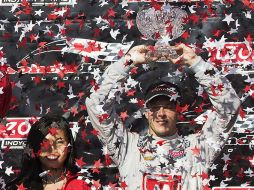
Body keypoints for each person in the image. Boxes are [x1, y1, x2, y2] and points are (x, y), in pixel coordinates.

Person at [85, 44, 241, 190]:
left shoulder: (198, 148)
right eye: (154, 107)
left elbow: (230, 106)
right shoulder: (128, 147)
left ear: (178, 111)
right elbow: (96, 104)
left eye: (168, 107)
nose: (161, 113)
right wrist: (127, 61)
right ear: (146, 112)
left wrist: (196, 63)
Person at [7, 114, 91, 190]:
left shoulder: (84, 184)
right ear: (34, 148)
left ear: (69, 147)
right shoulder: (18, 187)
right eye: (45, 142)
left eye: (59, 142)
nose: (52, 148)